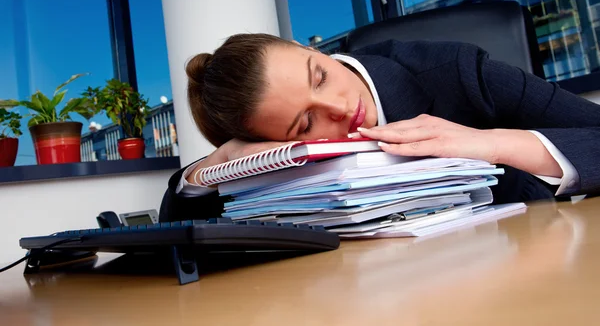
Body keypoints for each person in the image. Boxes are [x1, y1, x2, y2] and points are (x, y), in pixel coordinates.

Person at [159, 33, 600, 222]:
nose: (340, 106)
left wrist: (489, 144)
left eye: (320, 76)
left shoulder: (460, 72)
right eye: (307, 122)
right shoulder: (278, 156)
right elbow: (185, 226)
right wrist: (214, 166)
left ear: (302, 47)